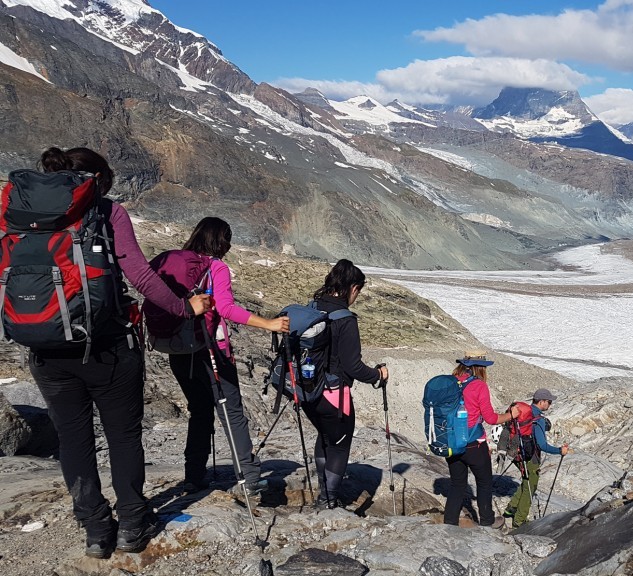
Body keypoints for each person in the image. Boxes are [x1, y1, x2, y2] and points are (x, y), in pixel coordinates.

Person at [23, 147, 211, 558]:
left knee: (73, 439)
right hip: (106, 346)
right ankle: (130, 523)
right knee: (123, 436)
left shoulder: (23, 216)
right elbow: (141, 275)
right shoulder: (108, 213)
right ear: (97, 180)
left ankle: (94, 528)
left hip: (46, 348)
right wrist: (183, 307)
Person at [168, 217, 289, 495]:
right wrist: (268, 323)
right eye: (227, 238)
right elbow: (226, 309)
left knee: (199, 410)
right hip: (211, 351)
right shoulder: (215, 267)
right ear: (219, 240)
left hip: (178, 350)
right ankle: (248, 476)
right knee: (231, 411)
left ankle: (194, 475)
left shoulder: (178, 264)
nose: (229, 245)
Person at [304, 259, 387, 509]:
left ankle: (323, 492)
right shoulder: (346, 319)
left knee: (325, 435)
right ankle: (328, 499)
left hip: (308, 390)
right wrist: (377, 375)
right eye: (358, 291)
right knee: (340, 444)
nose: (356, 297)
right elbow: (353, 367)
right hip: (334, 394)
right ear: (353, 288)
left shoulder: (313, 307)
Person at [444, 350, 519, 529]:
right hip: (473, 443)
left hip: (451, 442)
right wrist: (511, 415)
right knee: (484, 482)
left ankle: (449, 524)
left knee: (457, 484)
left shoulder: (451, 381)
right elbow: (491, 419)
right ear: (481, 367)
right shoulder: (479, 386)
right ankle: (487, 520)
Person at [503, 388, 569, 528]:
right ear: (542, 402)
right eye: (549, 402)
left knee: (526, 480)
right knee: (530, 486)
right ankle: (519, 520)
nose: (550, 405)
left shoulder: (523, 412)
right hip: (529, 456)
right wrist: (559, 450)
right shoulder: (537, 419)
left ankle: (511, 509)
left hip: (515, 452)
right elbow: (542, 445)